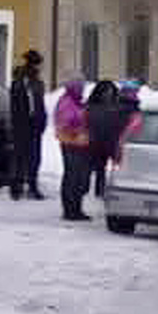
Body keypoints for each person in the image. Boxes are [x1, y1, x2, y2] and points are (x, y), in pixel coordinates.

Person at [8, 50, 47, 200]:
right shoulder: (21, 81)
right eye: (38, 63)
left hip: (34, 126)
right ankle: (16, 188)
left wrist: (41, 121)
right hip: (23, 125)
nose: (40, 68)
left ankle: (31, 186)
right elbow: (18, 106)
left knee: (34, 158)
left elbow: (39, 105)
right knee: (20, 157)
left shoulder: (37, 82)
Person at [54, 76, 91, 221]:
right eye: (80, 87)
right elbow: (64, 124)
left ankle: (76, 209)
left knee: (78, 177)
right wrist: (79, 129)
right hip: (70, 144)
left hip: (78, 144)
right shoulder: (67, 103)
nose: (82, 90)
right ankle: (70, 210)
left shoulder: (76, 101)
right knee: (72, 177)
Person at [85, 80, 130, 198]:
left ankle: (111, 191)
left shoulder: (118, 106)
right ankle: (96, 191)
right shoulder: (91, 106)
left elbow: (124, 121)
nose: (108, 94)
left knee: (115, 169)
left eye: (110, 91)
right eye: (105, 92)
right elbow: (87, 123)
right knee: (97, 169)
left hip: (112, 142)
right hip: (96, 143)